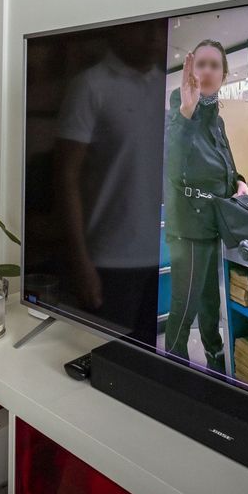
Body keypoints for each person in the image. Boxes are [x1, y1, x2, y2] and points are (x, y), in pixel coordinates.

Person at [55, 21, 167, 342]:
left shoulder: (164, 86)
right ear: (120, 31)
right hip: (108, 262)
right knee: (104, 361)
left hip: (157, 255)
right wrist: (80, 261)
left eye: (158, 30)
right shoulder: (91, 86)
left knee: (147, 357)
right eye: (144, 28)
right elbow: (66, 176)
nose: (153, 37)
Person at [162, 40, 248, 372]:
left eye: (215, 65)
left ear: (224, 75)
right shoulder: (180, 106)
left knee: (211, 301)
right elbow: (172, 166)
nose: (208, 70)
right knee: (184, 307)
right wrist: (185, 113)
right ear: (192, 70)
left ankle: (215, 358)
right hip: (187, 227)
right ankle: (174, 371)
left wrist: (239, 180)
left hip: (213, 222)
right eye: (201, 64)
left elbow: (223, 163)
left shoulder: (216, 116)